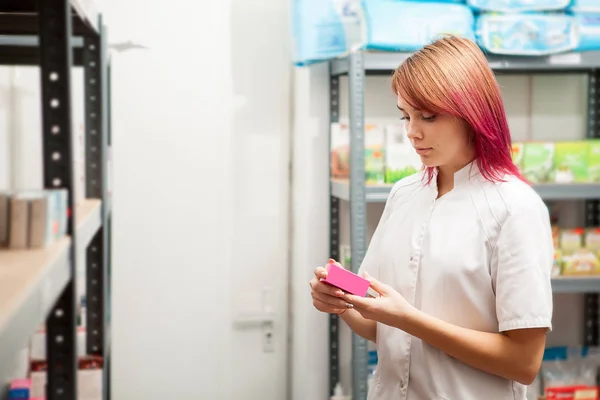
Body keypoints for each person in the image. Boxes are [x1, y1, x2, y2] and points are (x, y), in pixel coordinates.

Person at [310, 35, 553, 400]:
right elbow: (379, 324)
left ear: (473, 112)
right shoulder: (404, 194)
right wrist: (341, 299)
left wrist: (408, 319)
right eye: (405, 115)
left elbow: (524, 362)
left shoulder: (515, 207)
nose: (411, 132)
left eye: (428, 116)